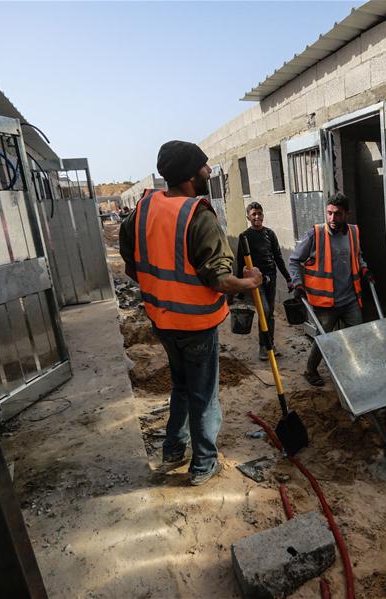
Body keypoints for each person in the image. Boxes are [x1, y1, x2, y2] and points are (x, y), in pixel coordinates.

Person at [119, 140, 262, 486]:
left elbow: (131, 265)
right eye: (203, 166)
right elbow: (222, 281)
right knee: (203, 394)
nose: (208, 171)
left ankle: (173, 448)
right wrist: (250, 281)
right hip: (195, 324)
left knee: (181, 385)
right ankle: (203, 464)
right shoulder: (197, 215)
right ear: (188, 174)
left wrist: (162, 291)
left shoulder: (142, 209)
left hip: (161, 320)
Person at [289, 192, 371, 387]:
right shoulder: (315, 234)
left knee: (356, 335)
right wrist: (298, 284)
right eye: (329, 213)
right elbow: (294, 260)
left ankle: (354, 369)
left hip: (350, 299)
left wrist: (365, 268)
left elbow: (357, 256)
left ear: (346, 214)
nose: (332, 218)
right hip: (326, 303)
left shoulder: (353, 232)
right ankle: (310, 370)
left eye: (337, 214)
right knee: (322, 340)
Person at [235, 202, 293, 361]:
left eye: (259, 214)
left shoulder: (270, 234)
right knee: (265, 311)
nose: (257, 217)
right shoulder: (244, 237)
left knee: (270, 315)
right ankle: (263, 346)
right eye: (253, 214)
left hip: (271, 278)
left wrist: (288, 279)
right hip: (256, 281)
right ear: (248, 216)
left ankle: (270, 344)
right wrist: (239, 288)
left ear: (263, 215)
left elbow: (278, 258)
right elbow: (240, 262)